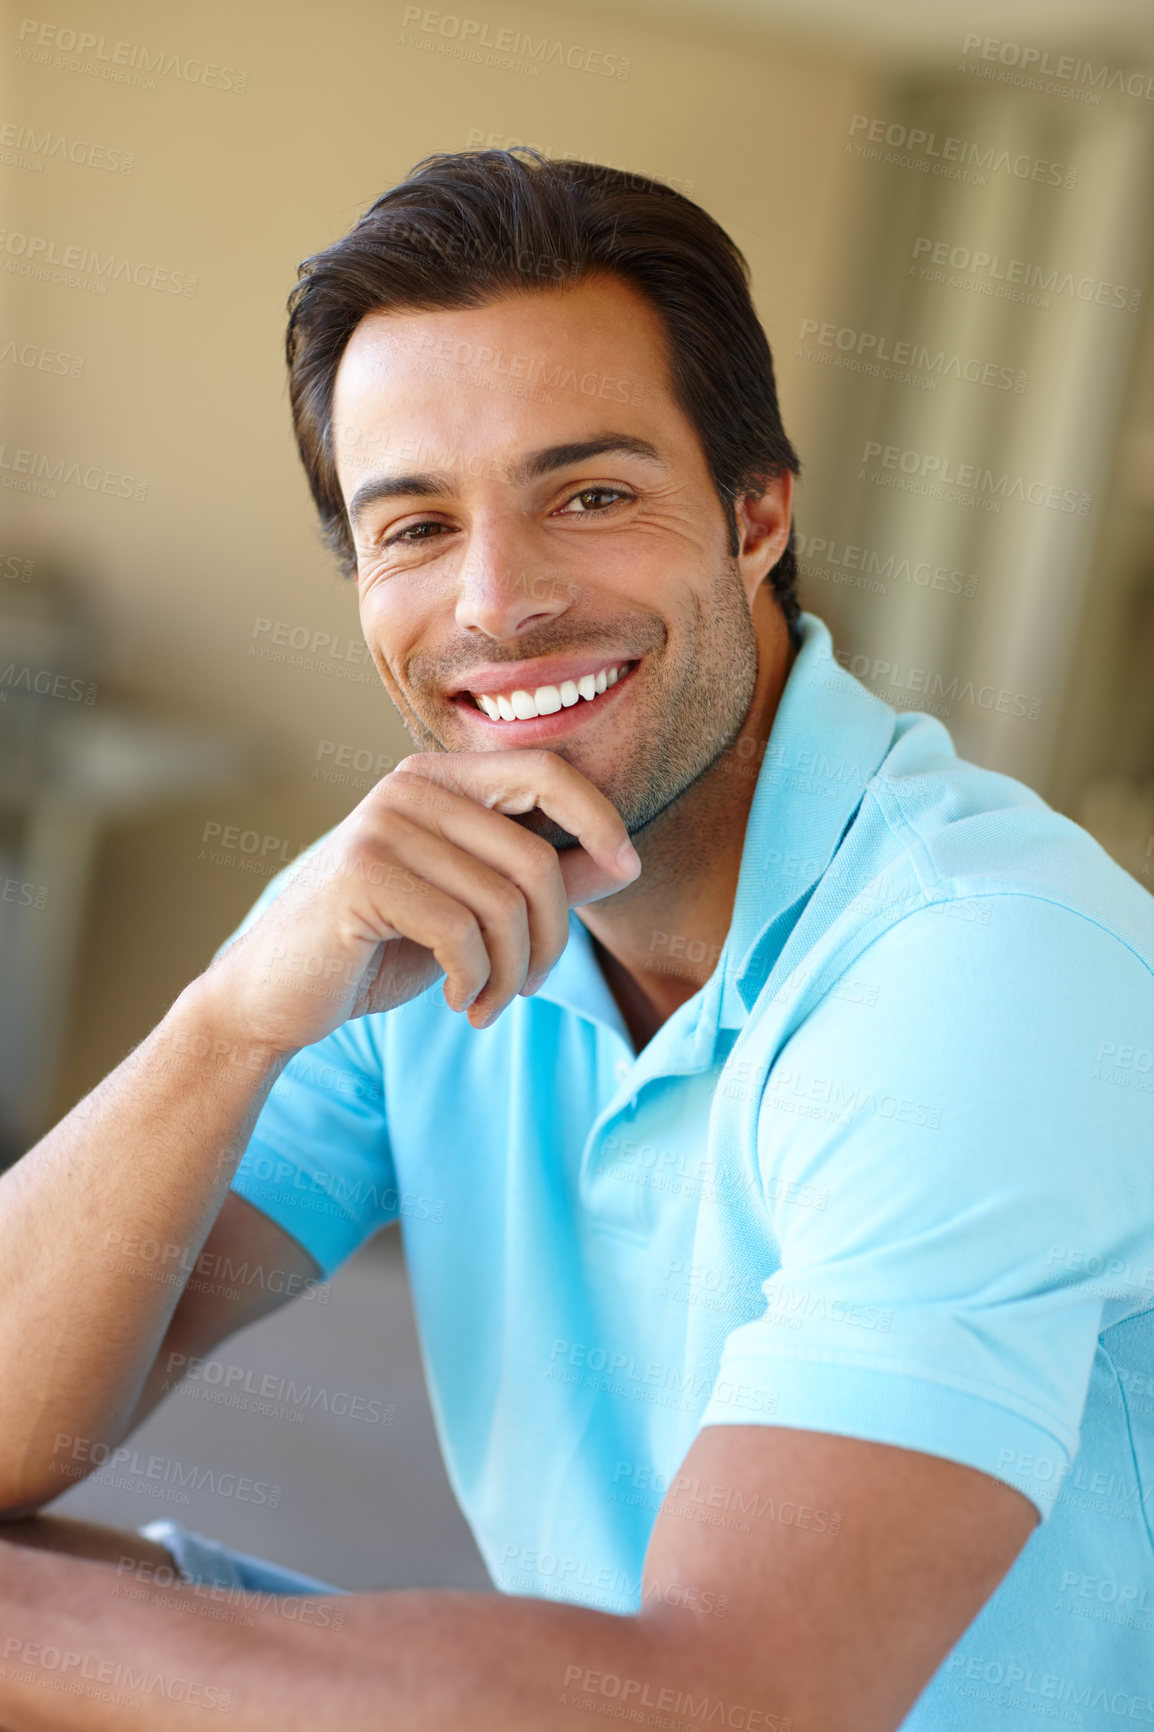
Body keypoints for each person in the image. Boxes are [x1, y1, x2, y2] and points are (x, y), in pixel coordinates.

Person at [0, 148, 1151, 1732]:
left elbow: (736, 1703)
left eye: (589, 495)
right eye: (413, 529)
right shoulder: (415, 893)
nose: (498, 600)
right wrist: (226, 1025)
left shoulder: (979, 967)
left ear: (754, 513)